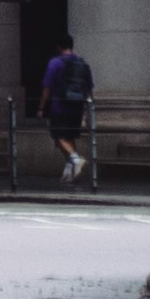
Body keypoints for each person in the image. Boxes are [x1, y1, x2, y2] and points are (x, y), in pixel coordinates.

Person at [40, 32, 95, 186]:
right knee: (69, 137)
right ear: (71, 46)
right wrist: (88, 107)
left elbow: (47, 87)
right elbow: (89, 87)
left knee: (59, 136)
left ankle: (76, 159)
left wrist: (41, 107)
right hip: (77, 106)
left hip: (60, 106)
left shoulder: (55, 63)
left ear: (58, 46)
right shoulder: (82, 63)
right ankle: (70, 172)